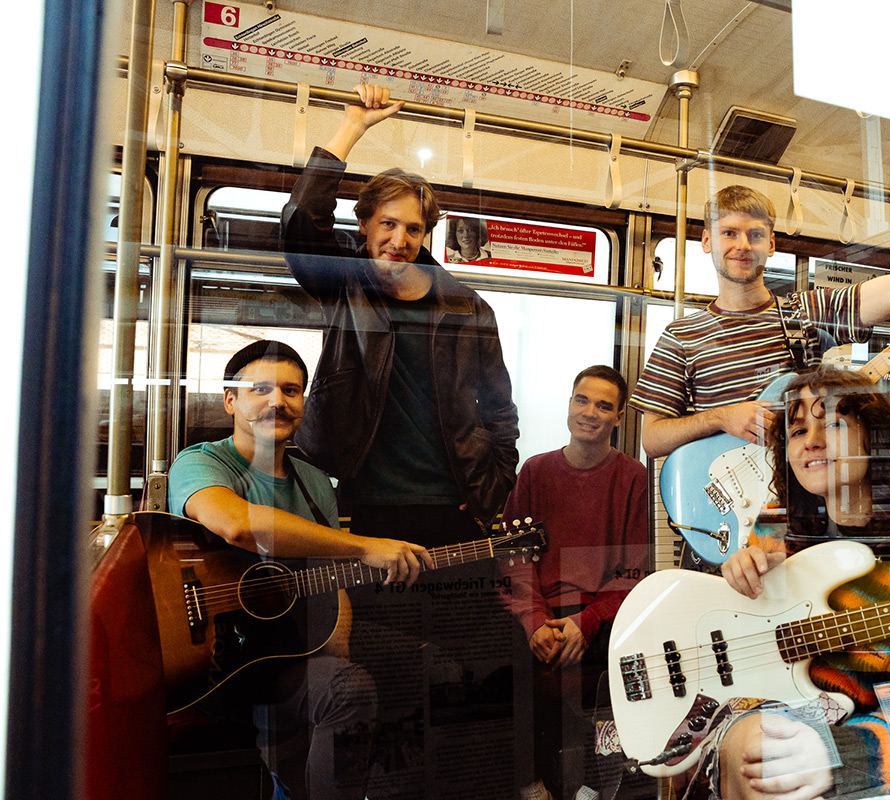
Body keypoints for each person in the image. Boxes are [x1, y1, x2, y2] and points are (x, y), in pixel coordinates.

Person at [691, 366, 890, 799]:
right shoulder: (774, 527)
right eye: (797, 429)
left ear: (878, 439)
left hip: (867, 733)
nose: (812, 441)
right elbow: (737, 643)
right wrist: (736, 582)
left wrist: (838, 754)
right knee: (763, 756)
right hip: (772, 710)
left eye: (834, 424)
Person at [167, 340, 434, 800]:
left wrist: (339, 643)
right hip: (227, 657)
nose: (278, 401)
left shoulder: (312, 481)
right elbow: (237, 525)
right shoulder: (201, 461)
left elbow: (332, 572)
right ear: (230, 399)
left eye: (292, 391)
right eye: (261, 389)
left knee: (433, 668)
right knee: (347, 691)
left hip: (298, 639)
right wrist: (365, 547)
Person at [630, 133, 890, 462]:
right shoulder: (681, 337)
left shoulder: (808, 311)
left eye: (756, 234)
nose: (743, 245)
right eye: (729, 233)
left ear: (772, 244)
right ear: (707, 241)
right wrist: (720, 418)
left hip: (803, 491)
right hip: (728, 504)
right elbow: (651, 439)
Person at [280, 82, 518, 547]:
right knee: (372, 620)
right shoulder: (345, 285)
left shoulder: (467, 307)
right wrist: (352, 126)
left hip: (454, 499)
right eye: (387, 224)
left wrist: (494, 487)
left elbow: (499, 410)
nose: (399, 240)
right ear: (364, 223)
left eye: (413, 228)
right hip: (365, 501)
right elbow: (301, 222)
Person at [500, 365, 649, 800]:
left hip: (604, 618)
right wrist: (533, 621)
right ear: (568, 405)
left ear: (619, 417)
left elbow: (634, 572)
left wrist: (588, 622)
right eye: (582, 400)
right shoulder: (535, 471)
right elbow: (513, 560)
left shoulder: (634, 479)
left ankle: (597, 784)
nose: (590, 412)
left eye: (604, 406)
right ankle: (531, 785)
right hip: (540, 612)